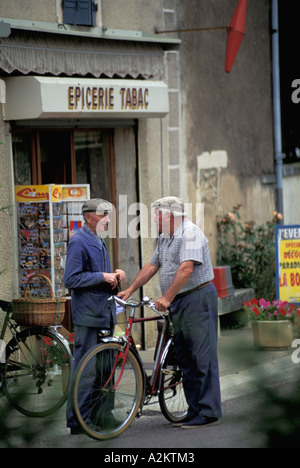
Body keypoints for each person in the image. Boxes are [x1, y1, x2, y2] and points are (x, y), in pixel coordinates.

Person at [118, 196, 222, 428]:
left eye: (157, 214)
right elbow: (152, 265)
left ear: (169, 215)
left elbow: (186, 269)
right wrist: (131, 289)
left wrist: (166, 298)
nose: (154, 218)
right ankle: (194, 410)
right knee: (185, 357)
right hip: (181, 301)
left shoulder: (191, 233)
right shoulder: (165, 237)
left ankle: (208, 412)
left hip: (197, 298)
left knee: (201, 357)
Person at [64, 198, 126, 434]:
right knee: (86, 370)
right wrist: (102, 276)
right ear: (89, 217)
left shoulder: (99, 240)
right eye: (103, 215)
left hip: (104, 313)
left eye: (108, 215)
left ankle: (103, 415)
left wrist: (115, 276)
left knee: (105, 369)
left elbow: (101, 276)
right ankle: (78, 421)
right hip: (88, 316)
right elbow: (71, 279)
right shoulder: (78, 241)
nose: (108, 220)